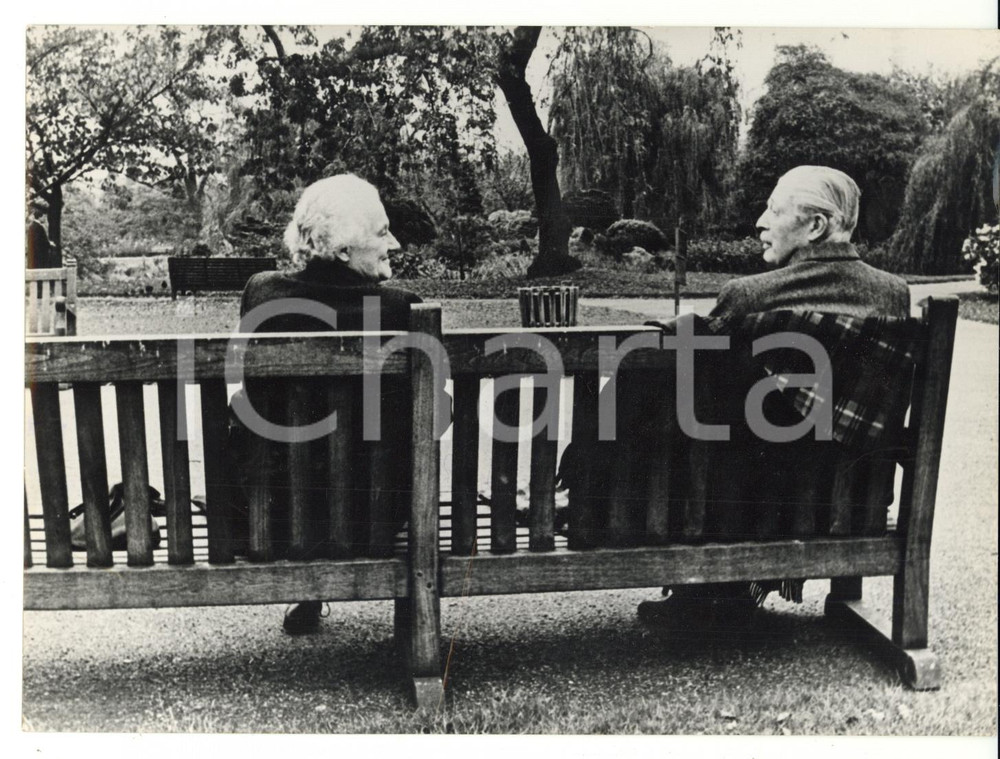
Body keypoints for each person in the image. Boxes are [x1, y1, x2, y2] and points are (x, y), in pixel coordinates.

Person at [637, 165, 910, 625]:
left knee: (680, 394)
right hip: (849, 504)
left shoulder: (748, 296)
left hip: (744, 506)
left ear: (816, 227)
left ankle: (707, 592)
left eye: (773, 210)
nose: (760, 221)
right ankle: (727, 593)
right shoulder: (894, 296)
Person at [229, 174, 420, 634]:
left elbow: (241, 399)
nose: (393, 242)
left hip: (269, 522)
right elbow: (436, 418)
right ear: (342, 252)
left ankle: (311, 594)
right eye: (380, 232)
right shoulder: (404, 311)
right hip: (372, 523)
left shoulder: (262, 295)